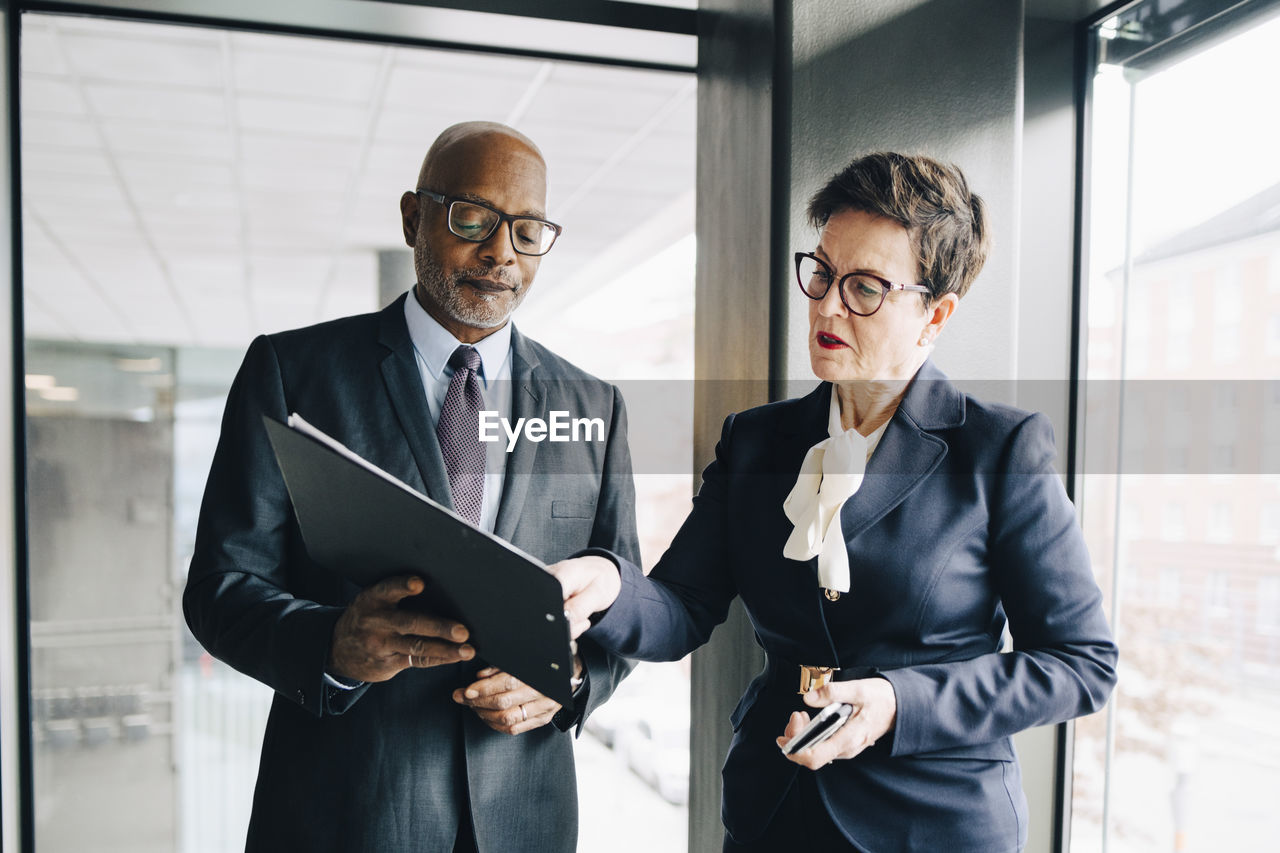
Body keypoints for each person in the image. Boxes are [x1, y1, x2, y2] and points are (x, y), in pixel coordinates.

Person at [552, 152, 1118, 852]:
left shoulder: (1001, 449)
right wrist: (606, 581)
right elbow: (681, 605)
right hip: (773, 813)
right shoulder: (757, 440)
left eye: (866, 287)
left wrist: (895, 702)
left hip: (931, 826)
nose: (826, 304)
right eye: (821, 271)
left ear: (935, 314)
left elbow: (1079, 662)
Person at [183, 121, 638, 853]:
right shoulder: (292, 372)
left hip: (524, 819)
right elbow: (219, 586)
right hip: (343, 814)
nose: (501, 252)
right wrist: (332, 644)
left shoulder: (594, 405)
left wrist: (573, 678)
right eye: (472, 219)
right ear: (411, 217)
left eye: (527, 230)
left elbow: (622, 600)